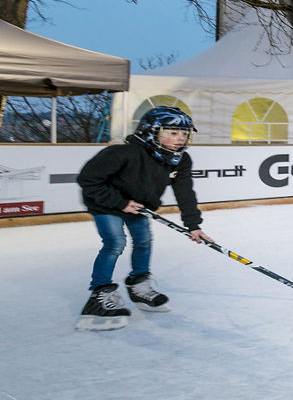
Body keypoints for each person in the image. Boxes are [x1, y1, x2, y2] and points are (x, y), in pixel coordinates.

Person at [74, 106, 211, 330]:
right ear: (152, 132)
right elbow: (88, 179)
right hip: (106, 203)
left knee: (144, 241)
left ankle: (139, 286)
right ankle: (100, 294)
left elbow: (185, 192)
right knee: (115, 243)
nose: (180, 139)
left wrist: (193, 225)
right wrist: (121, 203)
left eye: (184, 134)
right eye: (172, 133)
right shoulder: (123, 153)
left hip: (138, 206)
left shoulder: (180, 160)